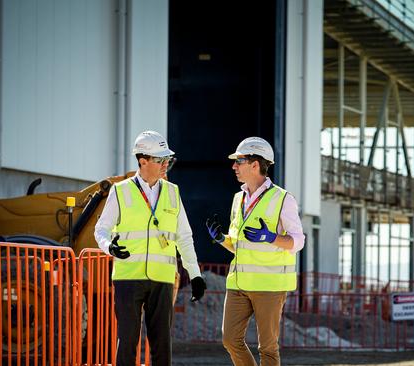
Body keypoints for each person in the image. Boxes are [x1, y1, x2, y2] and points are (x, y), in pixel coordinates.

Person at [95, 130, 207, 366]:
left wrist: (195, 274)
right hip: (128, 278)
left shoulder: (173, 193)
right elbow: (101, 230)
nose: (166, 164)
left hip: (162, 281)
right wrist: (109, 247)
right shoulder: (120, 191)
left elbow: (184, 237)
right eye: (160, 160)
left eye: (167, 159)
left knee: (161, 346)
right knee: (127, 342)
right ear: (142, 161)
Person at [206, 137, 304, 366]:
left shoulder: (283, 199)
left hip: (269, 286)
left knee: (268, 348)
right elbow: (239, 244)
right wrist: (222, 240)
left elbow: (298, 241)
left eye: (239, 161)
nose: (233, 166)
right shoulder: (237, 199)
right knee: (230, 340)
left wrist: (271, 237)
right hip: (238, 283)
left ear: (255, 164)